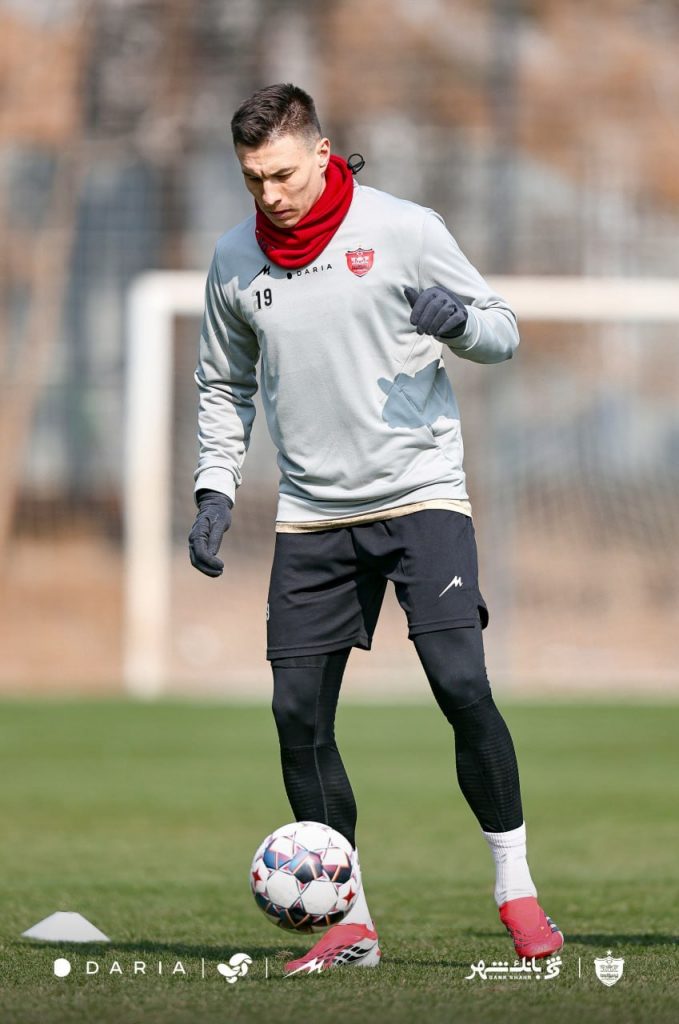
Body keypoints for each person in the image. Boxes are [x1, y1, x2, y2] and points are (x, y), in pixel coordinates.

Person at [189, 83, 563, 974]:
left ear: (322, 153)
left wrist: (459, 323)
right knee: (295, 715)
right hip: (311, 516)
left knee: (460, 684)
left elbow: (501, 332)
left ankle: (515, 888)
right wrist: (213, 489)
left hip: (420, 497)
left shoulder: (404, 229)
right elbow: (222, 385)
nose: (270, 194)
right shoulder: (233, 259)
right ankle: (349, 922)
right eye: (252, 179)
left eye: (283, 174)